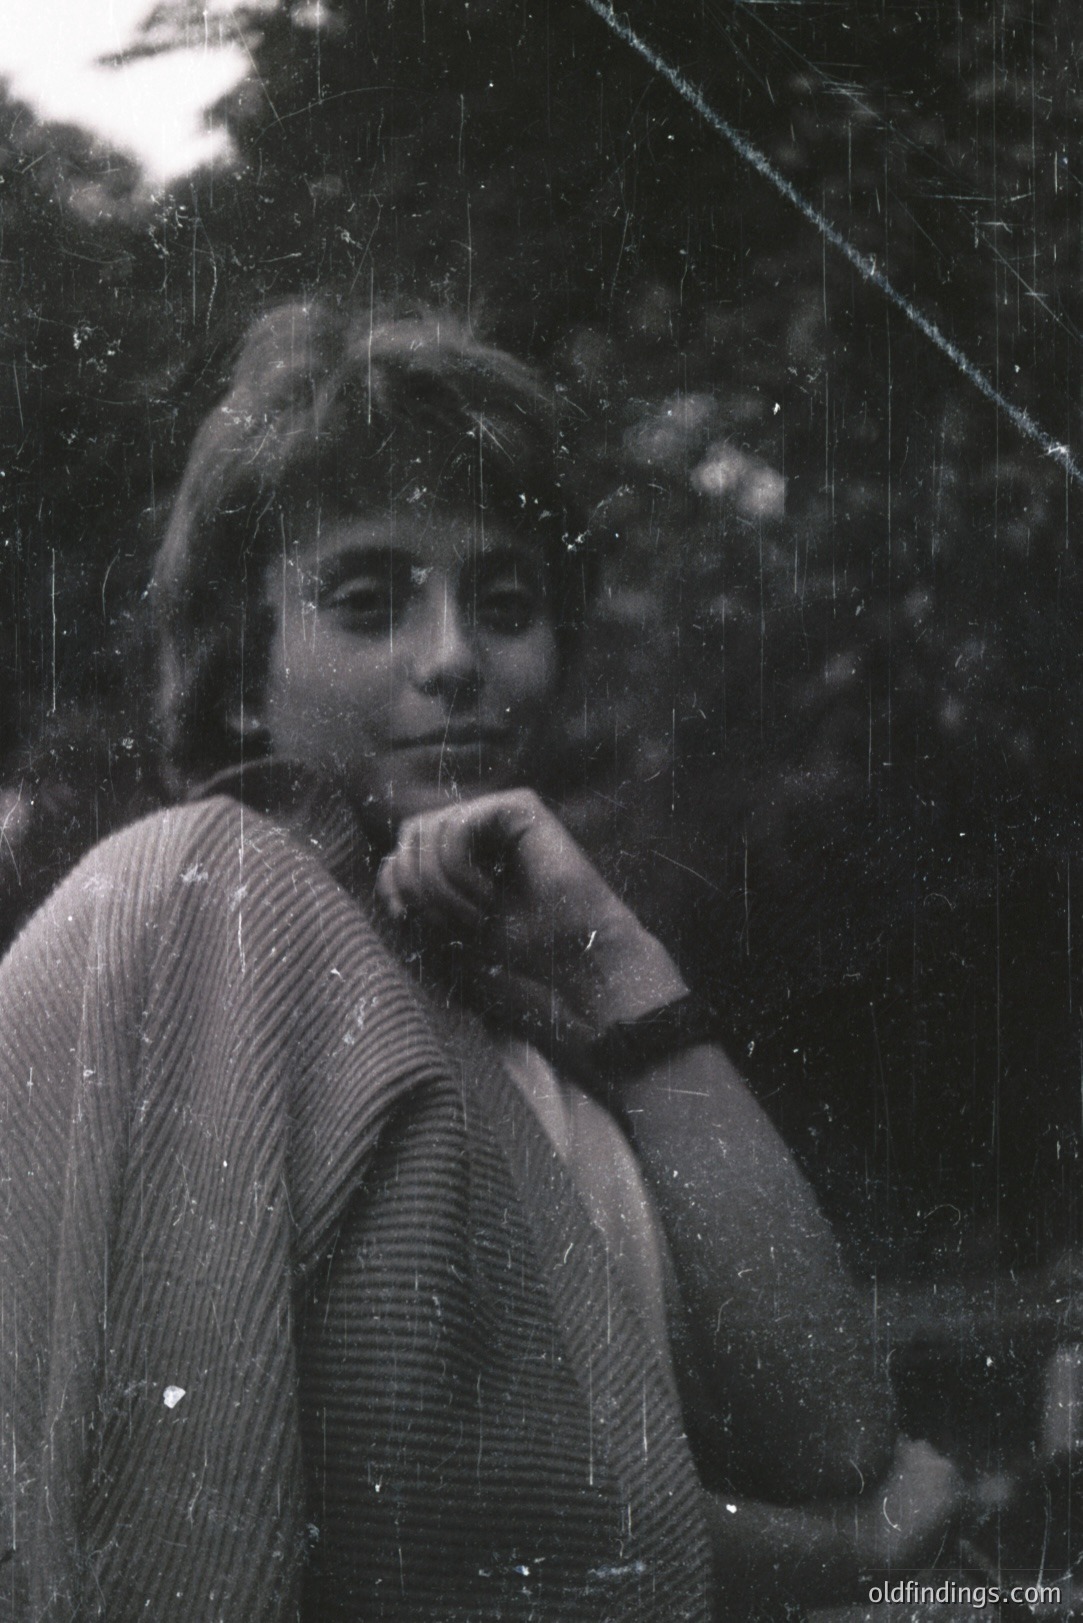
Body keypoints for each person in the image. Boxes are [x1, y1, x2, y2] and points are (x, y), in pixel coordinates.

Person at [0, 298, 960, 1621]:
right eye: (369, 598)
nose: (455, 659)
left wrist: (616, 964)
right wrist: (835, 1557)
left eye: (504, 601)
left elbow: (836, 1435)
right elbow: (353, 1515)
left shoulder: (528, 1013)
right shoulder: (198, 901)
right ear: (242, 668)